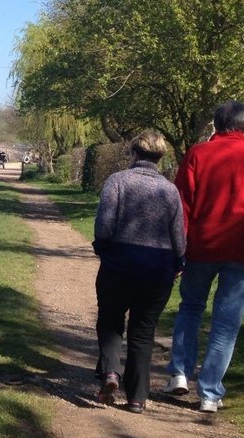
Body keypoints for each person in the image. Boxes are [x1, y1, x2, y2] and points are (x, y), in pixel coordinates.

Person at [92, 130, 185, 414]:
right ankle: (137, 399)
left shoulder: (118, 181)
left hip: (120, 263)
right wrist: (178, 262)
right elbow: (178, 236)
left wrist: (103, 248)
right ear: (159, 158)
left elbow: (104, 226)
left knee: (110, 320)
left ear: (134, 154)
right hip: (157, 270)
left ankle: (110, 372)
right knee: (143, 333)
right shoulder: (170, 190)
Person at [165, 100, 244, 413]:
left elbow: (182, 204)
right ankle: (210, 394)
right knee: (226, 323)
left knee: (191, 307)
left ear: (217, 124)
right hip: (239, 250)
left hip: (201, 247)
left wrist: (178, 248)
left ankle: (179, 373)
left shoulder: (198, 153)